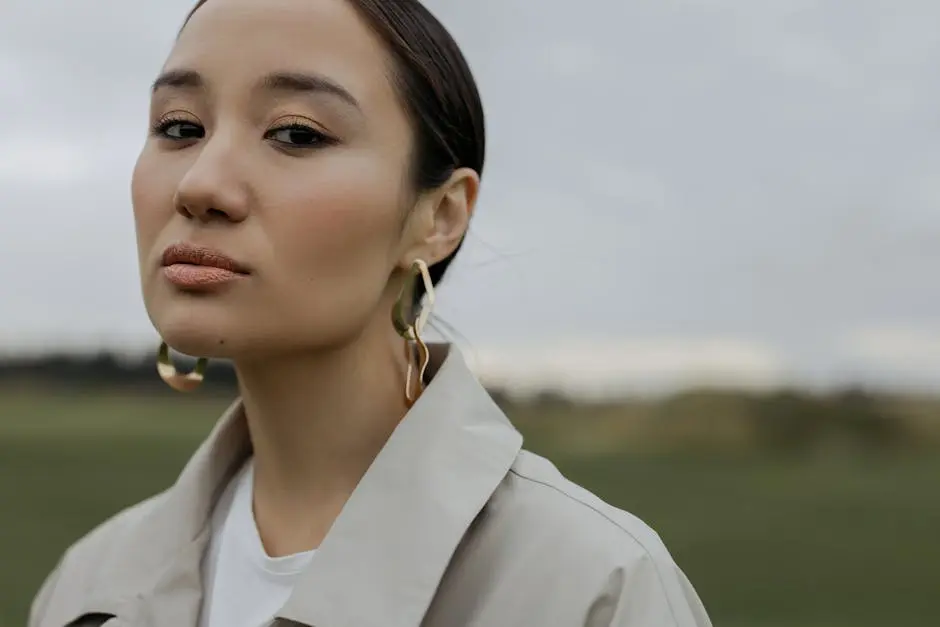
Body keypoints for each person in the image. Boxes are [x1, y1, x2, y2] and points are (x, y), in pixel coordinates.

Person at [27, 0, 712, 625]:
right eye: (180, 127)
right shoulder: (87, 588)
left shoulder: (593, 589)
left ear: (439, 216)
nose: (201, 183)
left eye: (295, 134)